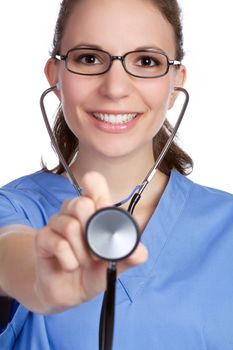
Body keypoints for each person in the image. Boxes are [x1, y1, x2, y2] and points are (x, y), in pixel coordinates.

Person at [0, 0, 233, 349]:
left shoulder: (226, 224)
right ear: (55, 76)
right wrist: (37, 280)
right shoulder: (14, 209)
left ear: (175, 82)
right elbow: (10, 255)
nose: (115, 88)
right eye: (90, 58)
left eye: (146, 61)